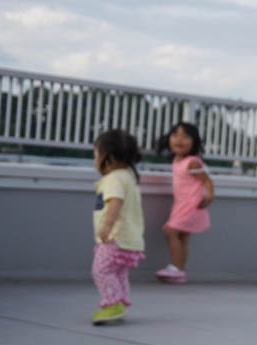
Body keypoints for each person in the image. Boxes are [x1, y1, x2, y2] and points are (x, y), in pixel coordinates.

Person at [91, 129, 145, 325]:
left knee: (101, 270)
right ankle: (119, 303)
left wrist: (107, 226)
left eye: (96, 155)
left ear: (109, 158)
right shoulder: (128, 176)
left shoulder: (114, 179)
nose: (95, 161)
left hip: (115, 237)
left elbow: (115, 201)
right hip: (131, 239)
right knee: (118, 271)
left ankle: (112, 304)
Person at [155, 122, 214, 284]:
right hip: (181, 204)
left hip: (192, 204)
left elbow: (207, 181)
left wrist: (209, 196)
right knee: (182, 237)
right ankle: (179, 272)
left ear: (194, 141)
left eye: (185, 136)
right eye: (175, 135)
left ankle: (175, 267)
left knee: (170, 231)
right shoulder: (177, 159)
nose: (179, 140)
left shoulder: (192, 162)